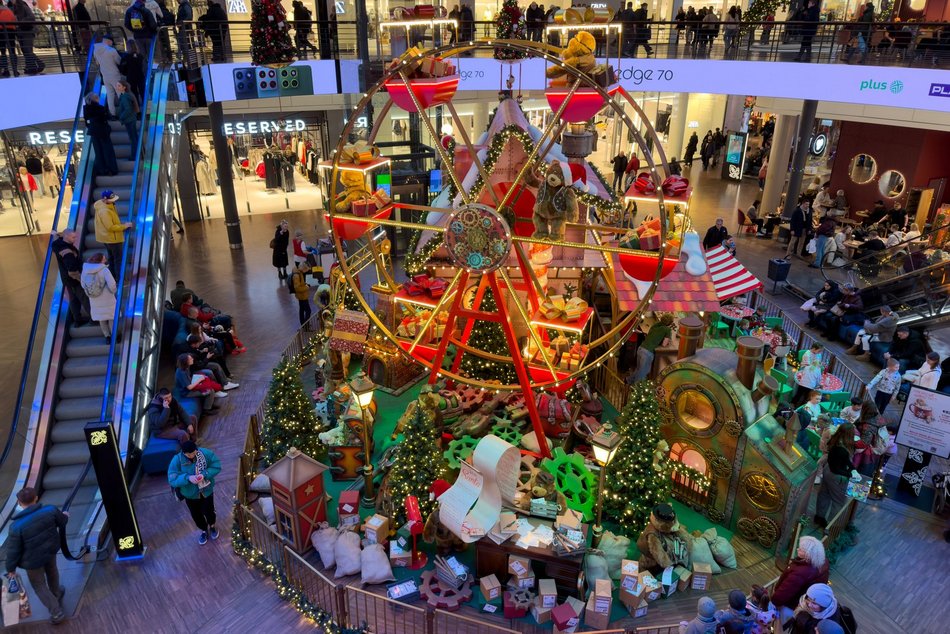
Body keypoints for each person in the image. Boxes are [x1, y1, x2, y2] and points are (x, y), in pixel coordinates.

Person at [4, 487, 68, 624]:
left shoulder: (16, 527)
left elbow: (13, 551)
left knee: (39, 585)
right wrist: (65, 515)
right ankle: (56, 593)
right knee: (52, 571)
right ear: (36, 498)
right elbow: (62, 521)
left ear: (19, 503)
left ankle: (56, 612)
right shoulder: (50, 510)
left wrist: (10, 569)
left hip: (31, 562)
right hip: (50, 551)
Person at [168, 440, 222, 545]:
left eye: (194, 452)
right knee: (196, 514)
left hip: (206, 491)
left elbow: (216, 465)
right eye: (189, 454)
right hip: (190, 495)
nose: (192, 455)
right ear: (183, 453)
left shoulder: (205, 453)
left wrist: (205, 474)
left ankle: (212, 526)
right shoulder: (177, 460)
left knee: (209, 511)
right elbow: (172, 479)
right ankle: (203, 530)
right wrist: (188, 478)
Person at [814, 425, 855, 528]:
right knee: (838, 501)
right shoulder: (847, 445)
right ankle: (832, 527)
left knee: (824, 494)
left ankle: (819, 517)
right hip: (839, 475)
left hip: (828, 469)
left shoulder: (834, 439)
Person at [51, 229, 91, 326]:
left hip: (66, 280)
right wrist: (81, 279)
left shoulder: (58, 245)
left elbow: (56, 240)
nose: (76, 238)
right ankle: (94, 318)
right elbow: (72, 271)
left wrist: (55, 235)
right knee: (85, 299)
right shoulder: (68, 252)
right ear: (67, 237)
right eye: (73, 237)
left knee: (73, 300)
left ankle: (77, 320)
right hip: (74, 280)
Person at [94, 190, 133, 278]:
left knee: (112, 258)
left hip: (106, 238)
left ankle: (113, 277)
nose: (114, 201)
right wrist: (124, 226)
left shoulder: (103, 204)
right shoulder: (104, 211)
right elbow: (110, 227)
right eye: (112, 200)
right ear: (105, 199)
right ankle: (119, 279)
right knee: (117, 260)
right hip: (112, 239)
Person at [789, 584, 855, 633]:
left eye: (814, 603)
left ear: (823, 606)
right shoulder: (805, 604)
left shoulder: (825, 626)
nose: (809, 604)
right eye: (808, 599)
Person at [81, 253, 118, 340]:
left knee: (102, 319)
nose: (105, 260)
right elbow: (112, 284)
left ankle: (107, 336)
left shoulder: (85, 270)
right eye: (104, 259)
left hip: (94, 298)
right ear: (100, 261)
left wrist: (91, 291)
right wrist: (114, 291)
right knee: (111, 317)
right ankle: (114, 336)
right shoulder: (104, 270)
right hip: (107, 297)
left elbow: (83, 284)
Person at [83, 93, 119, 176]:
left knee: (98, 152)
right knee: (107, 151)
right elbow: (104, 119)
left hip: (93, 132)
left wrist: (90, 126)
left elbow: (87, 121)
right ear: (95, 99)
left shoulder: (86, 109)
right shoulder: (100, 108)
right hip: (103, 132)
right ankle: (112, 169)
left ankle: (102, 170)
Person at [634, 313, 673, 382]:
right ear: (670, 322)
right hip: (647, 352)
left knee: (638, 369)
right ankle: (635, 388)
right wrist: (668, 340)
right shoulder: (667, 330)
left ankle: (628, 380)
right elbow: (664, 344)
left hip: (641, 348)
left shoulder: (656, 325)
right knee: (643, 373)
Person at [12, 0, 43, 74]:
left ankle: (39, 64)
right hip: (21, 32)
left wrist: (20, 22)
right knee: (25, 50)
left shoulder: (23, 6)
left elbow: (31, 17)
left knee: (27, 49)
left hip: (27, 31)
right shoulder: (15, 8)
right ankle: (31, 67)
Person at [125, 0, 158, 65]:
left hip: (138, 37)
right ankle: (150, 72)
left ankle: (144, 72)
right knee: (151, 56)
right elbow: (153, 25)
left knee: (142, 57)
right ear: (144, 2)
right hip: (148, 36)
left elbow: (126, 24)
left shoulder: (129, 11)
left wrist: (134, 30)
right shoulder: (146, 11)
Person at [116, 80, 140, 151]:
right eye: (117, 85)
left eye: (119, 86)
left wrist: (121, 117)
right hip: (130, 119)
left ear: (124, 87)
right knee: (134, 137)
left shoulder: (125, 97)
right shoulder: (125, 96)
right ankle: (138, 153)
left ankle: (134, 155)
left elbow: (128, 109)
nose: (117, 87)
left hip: (129, 120)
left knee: (133, 138)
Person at [0, 2, 18, 77]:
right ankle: (15, 70)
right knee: (12, 50)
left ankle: (6, 70)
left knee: (3, 51)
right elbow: (14, 19)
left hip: (1, 30)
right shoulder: (7, 9)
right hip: (11, 30)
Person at [291, 262, 312, 326]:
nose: (306, 271)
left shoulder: (299, 271)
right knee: (308, 311)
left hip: (301, 295)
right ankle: (305, 326)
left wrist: (304, 284)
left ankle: (303, 325)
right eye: (306, 270)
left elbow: (300, 283)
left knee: (302, 310)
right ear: (304, 268)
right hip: (302, 296)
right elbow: (297, 288)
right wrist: (306, 287)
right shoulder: (296, 275)